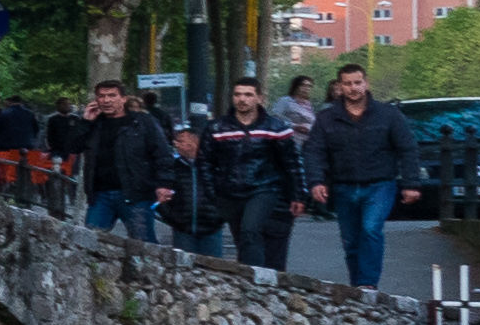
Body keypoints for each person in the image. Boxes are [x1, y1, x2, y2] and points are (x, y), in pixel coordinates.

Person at [301, 60, 421, 287]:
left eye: (357, 82)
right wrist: (316, 181)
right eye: (348, 84)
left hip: (380, 184)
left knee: (370, 230)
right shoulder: (327, 118)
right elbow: (314, 151)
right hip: (343, 185)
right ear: (340, 86)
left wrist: (411, 183)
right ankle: (357, 287)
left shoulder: (388, 115)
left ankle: (368, 285)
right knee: (351, 241)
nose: (353, 88)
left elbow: (407, 148)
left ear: (366, 83)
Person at [205, 79, 309, 271]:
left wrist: (298, 195)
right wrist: (212, 192)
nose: (242, 99)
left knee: (249, 230)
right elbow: (205, 163)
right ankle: (253, 278)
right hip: (229, 191)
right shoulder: (217, 128)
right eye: (237, 95)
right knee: (242, 239)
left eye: (248, 95)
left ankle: (256, 280)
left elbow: (292, 163)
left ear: (259, 98)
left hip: (264, 188)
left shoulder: (276, 128)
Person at [70, 79, 171, 239]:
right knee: (89, 242)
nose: (106, 100)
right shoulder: (94, 123)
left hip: (136, 193)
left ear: (123, 99)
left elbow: (162, 153)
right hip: (100, 194)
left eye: (112, 95)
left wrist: (164, 184)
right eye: (101, 96)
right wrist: (85, 123)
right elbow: (73, 147)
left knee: (143, 244)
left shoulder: (142, 121)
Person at [156, 113, 237, 258]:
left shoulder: (216, 166)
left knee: (213, 269)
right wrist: (173, 218)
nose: (176, 144)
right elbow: (161, 193)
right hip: (183, 229)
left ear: (194, 143)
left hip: (211, 229)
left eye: (180, 141)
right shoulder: (172, 167)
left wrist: (219, 218)